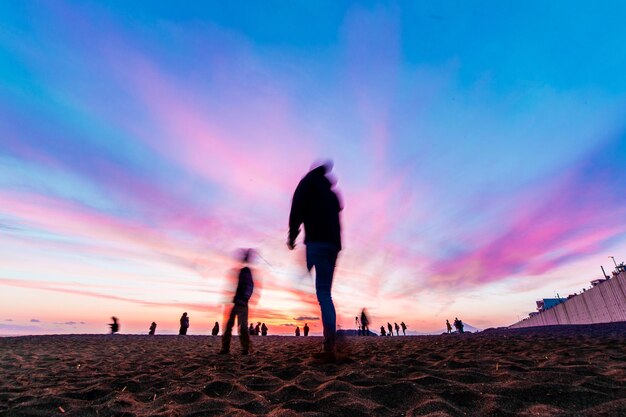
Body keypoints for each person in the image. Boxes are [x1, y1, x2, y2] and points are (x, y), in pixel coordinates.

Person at [288, 161, 342, 360]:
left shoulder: (307, 183)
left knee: (320, 291)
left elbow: (297, 210)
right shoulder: (331, 193)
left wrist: (291, 236)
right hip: (333, 246)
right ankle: (331, 343)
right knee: (325, 294)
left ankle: (330, 346)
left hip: (317, 243)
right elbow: (337, 213)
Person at [220, 249, 254, 355]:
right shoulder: (242, 271)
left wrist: (245, 298)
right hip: (236, 303)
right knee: (229, 326)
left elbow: (250, 286)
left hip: (242, 304)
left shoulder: (246, 271)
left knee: (242, 327)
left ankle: (245, 349)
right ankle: (225, 349)